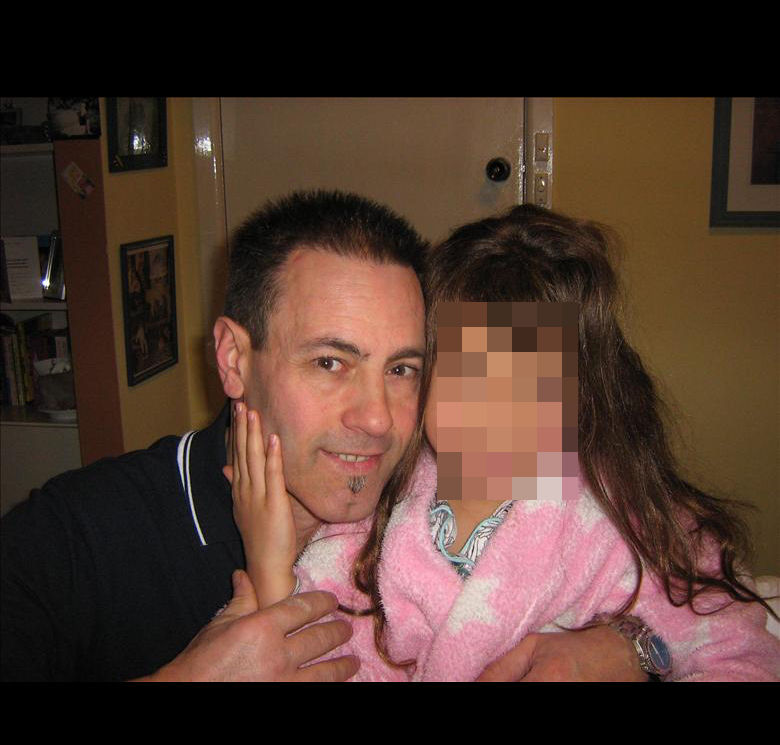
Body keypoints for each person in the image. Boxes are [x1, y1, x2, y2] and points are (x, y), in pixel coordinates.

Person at [1, 190, 645, 682]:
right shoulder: (69, 542)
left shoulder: (465, 489)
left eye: (402, 369)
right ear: (233, 359)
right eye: (330, 362)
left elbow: (670, 570)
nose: (377, 419)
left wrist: (636, 648)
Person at [232, 203, 780, 681]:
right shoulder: (374, 520)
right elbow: (317, 660)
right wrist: (272, 566)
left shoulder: (624, 521)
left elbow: (741, 655)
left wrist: (642, 650)